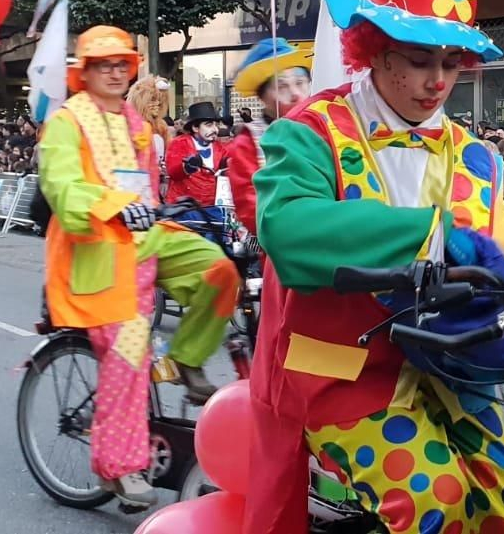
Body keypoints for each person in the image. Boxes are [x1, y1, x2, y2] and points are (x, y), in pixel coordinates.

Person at [246, 0, 504, 534]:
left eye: (451, 63)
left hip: (447, 370)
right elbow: (287, 229)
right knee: (431, 499)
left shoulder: (476, 157)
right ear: (376, 52)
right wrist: (429, 238)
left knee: (503, 509)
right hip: (340, 373)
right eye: (418, 59)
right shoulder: (311, 132)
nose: (437, 81)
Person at [37, 26, 239, 509]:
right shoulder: (67, 121)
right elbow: (60, 187)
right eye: (102, 64)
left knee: (220, 270)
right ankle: (120, 469)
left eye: (120, 64)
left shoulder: (133, 121)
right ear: (84, 72)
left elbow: (147, 186)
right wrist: (112, 204)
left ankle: (188, 358)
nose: (112, 71)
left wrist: (167, 206)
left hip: (145, 239)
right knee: (131, 347)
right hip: (96, 252)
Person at [224, 38, 311, 236]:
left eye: (300, 83)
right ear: (262, 97)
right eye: (282, 86)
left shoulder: (323, 129)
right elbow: (252, 208)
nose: (296, 94)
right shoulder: (248, 142)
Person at [165, 101, 228, 211]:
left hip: (211, 210)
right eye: (209, 125)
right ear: (195, 128)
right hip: (183, 209)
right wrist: (187, 167)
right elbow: (173, 171)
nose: (215, 130)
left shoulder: (220, 148)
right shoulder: (180, 143)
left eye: (216, 125)